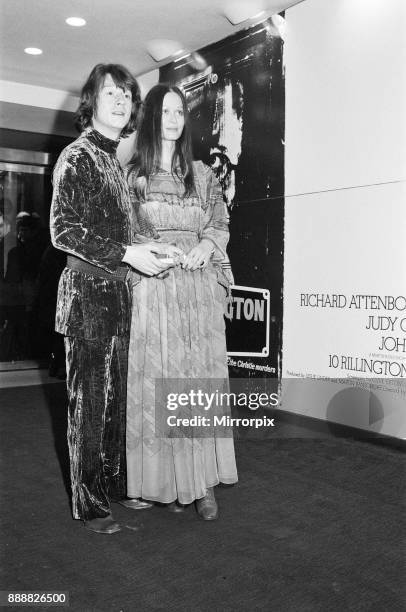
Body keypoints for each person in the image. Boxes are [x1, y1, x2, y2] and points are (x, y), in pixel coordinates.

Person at [50, 64, 176, 534]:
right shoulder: (77, 155)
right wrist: (128, 252)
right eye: (111, 93)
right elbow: (63, 231)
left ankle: (109, 485)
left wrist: (153, 247)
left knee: (113, 405)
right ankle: (90, 504)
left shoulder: (113, 161)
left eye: (127, 95)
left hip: (118, 298)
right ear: (92, 100)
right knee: (87, 405)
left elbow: (125, 230)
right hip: (86, 298)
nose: (121, 101)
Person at [126, 84, 238, 520]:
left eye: (179, 112)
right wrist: (161, 250)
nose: (173, 118)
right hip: (156, 290)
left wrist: (207, 246)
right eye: (165, 111)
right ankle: (164, 482)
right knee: (160, 382)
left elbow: (220, 221)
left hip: (197, 291)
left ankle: (203, 482)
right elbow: (127, 233)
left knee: (199, 382)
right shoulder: (132, 175)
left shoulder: (203, 174)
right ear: (152, 117)